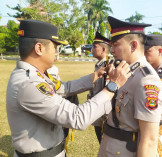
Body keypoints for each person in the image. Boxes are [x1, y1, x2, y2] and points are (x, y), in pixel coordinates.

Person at [6, 19, 131, 157]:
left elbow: (64, 88)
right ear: (39, 48)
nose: (56, 53)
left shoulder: (36, 75)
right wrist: (112, 86)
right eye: (55, 47)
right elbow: (77, 118)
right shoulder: (29, 84)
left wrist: (94, 76)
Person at [97, 16, 162, 157]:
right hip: (109, 147)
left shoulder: (146, 81)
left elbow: (149, 141)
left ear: (133, 45)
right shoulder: (125, 72)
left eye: (116, 45)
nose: (112, 50)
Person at [88, 31, 112, 144]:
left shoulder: (109, 65)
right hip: (97, 111)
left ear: (103, 50)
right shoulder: (98, 65)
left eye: (94, 47)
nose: (92, 49)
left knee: (106, 144)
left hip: (105, 113)